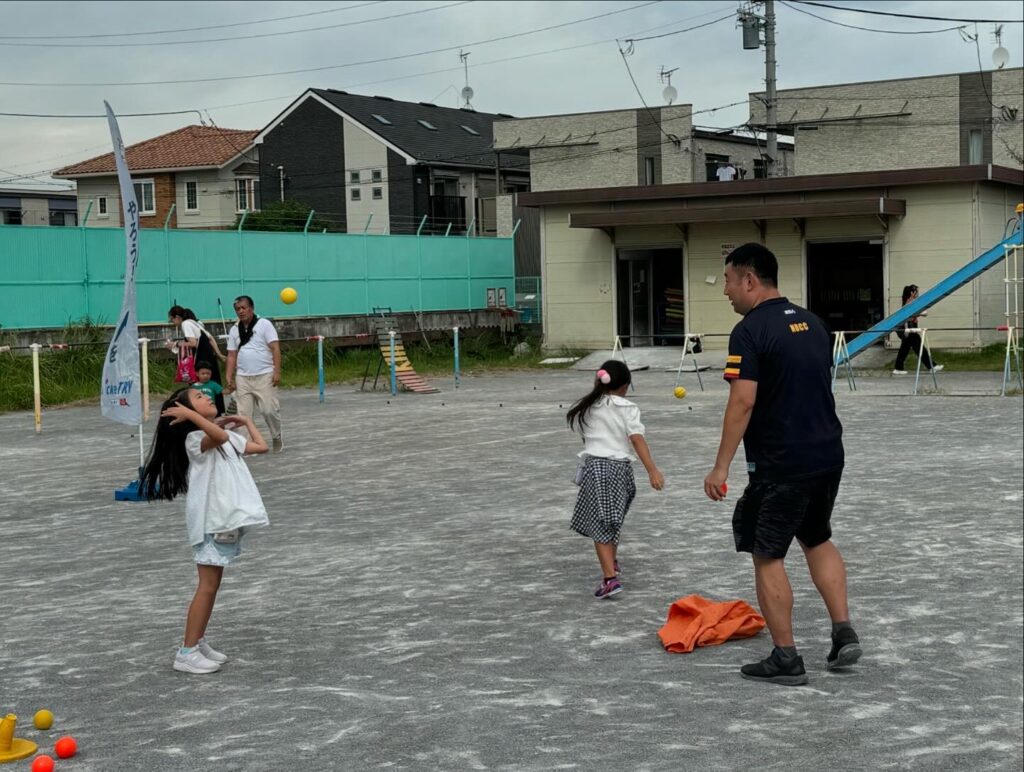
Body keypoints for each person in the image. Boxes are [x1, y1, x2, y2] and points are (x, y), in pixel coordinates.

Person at [703, 243, 861, 686]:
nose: (727, 292)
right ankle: (842, 630)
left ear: (750, 280)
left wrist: (720, 468)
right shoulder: (813, 323)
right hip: (827, 455)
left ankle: (786, 656)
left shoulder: (750, 331)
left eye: (730, 281)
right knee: (817, 537)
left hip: (781, 463)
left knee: (767, 553)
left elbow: (743, 400)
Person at [138, 386, 269, 674]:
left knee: (213, 585)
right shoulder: (195, 439)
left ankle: (197, 641)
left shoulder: (216, 435)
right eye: (198, 398)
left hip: (222, 521)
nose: (207, 396)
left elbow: (261, 447)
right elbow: (218, 436)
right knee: (207, 586)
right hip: (210, 522)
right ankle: (186, 652)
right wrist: (188, 416)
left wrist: (246, 422)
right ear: (188, 415)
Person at [566, 360, 664, 599]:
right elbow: (636, 439)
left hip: (595, 469)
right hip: (620, 470)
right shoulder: (627, 407)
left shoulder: (587, 406)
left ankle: (610, 578)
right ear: (626, 386)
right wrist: (652, 470)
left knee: (599, 523)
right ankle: (611, 565)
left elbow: (588, 441)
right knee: (612, 519)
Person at [224, 295, 283, 453]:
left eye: (244, 308)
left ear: (252, 308)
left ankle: (276, 435)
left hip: (264, 374)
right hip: (243, 377)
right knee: (243, 414)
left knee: (268, 410)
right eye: (238, 309)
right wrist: (229, 376)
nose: (241, 311)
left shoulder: (264, 324)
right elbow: (231, 355)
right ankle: (248, 445)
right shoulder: (234, 329)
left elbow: (275, 348)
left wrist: (277, 371)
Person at [168, 305, 227, 414]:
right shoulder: (197, 323)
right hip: (210, 359)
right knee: (213, 385)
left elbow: (193, 343)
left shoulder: (186, 324)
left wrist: (175, 344)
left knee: (199, 387)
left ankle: (199, 412)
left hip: (201, 360)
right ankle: (217, 412)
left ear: (177, 317)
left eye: (172, 320)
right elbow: (211, 338)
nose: (172, 323)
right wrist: (219, 354)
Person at [893, 284, 943, 375]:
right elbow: (907, 317)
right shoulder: (910, 302)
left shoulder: (912, 301)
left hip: (910, 328)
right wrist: (920, 314)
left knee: (904, 349)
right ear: (912, 293)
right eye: (916, 291)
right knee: (919, 347)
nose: (918, 293)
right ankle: (932, 366)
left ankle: (898, 368)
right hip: (908, 329)